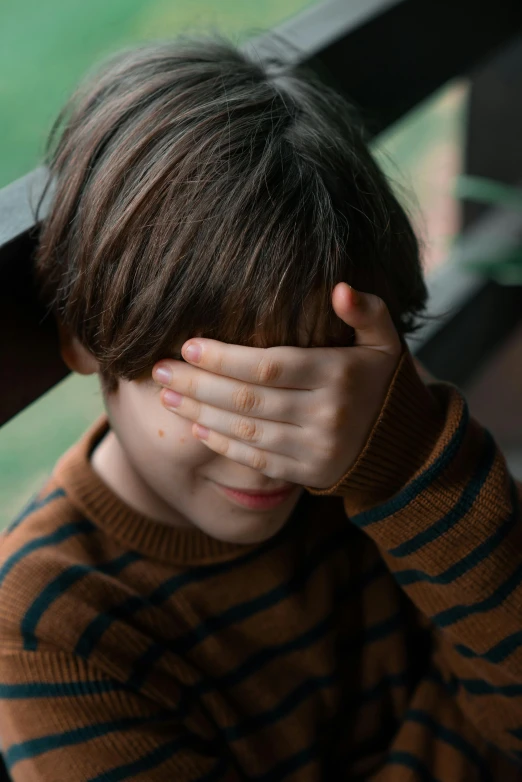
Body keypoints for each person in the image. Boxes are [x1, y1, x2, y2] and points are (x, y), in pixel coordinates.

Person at [0, 36, 520, 782]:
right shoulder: (51, 626)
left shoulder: (377, 450)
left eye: (310, 381)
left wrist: (406, 466)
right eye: (221, 387)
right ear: (85, 338)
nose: (269, 448)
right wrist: (464, 725)